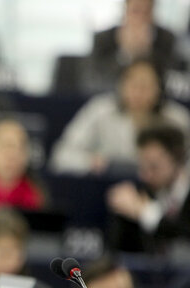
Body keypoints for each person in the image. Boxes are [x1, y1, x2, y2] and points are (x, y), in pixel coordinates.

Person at [50, 58, 190, 174]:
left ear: (159, 89)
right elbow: (61, 156)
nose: (138, 92)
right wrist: (91, 163)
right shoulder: (99, 110)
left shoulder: (177, 119)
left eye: (145, 85)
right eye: (132, 84)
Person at [107, 122, 190, 252]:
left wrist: (145, 213)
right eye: (142, 166)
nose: (145, 176)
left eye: (154, 167)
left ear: (178, 160)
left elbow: (183, 235)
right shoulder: (143, 191)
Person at [87, 0, 181, 93]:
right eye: (136, 11)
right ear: (125, 11)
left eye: (146, 12)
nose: (141, 17)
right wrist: (125, 53)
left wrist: (146, 52)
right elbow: (95, 78)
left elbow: (172, 78)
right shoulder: (103, 39)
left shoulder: (167, 39)